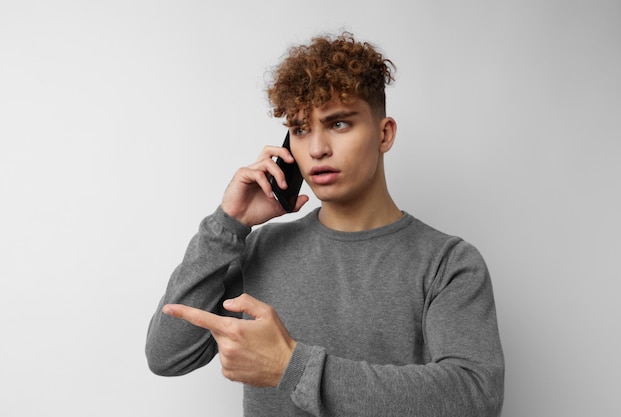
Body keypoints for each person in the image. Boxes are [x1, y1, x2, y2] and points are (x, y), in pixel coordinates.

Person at [146, 32, 505, 416]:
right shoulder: (259, 249)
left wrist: (293, 368)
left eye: (338, 124)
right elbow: (168, 355)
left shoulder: (448, 262)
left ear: (384, 134)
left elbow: (475, 397)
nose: (316, 149)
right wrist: (228, 225)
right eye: (300, 129)